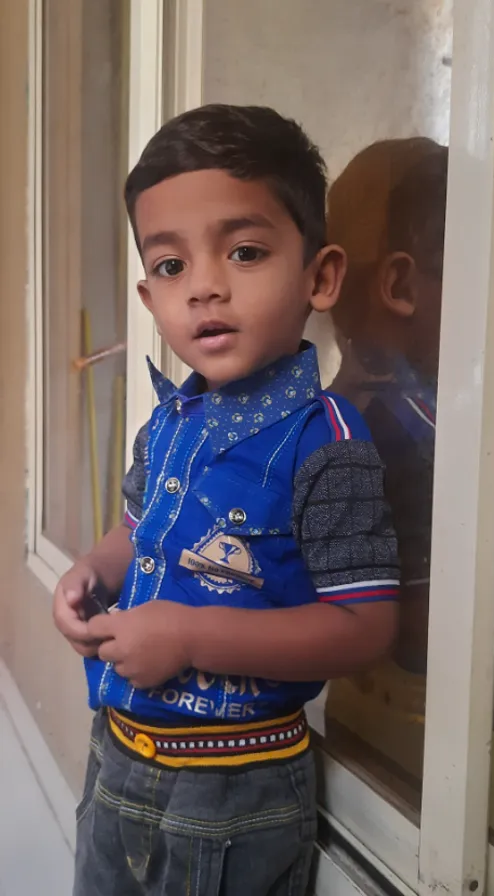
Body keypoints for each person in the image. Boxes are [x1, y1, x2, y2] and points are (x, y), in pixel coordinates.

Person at [53, 104, 399, 896]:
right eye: (172, 268)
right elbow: (139, 529)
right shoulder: (172, 418)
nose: (205, 287)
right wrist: (92, 570)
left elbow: (363, 626)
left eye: (245, 252)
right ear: (149, 297)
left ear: (320, 276)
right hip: (117, 757)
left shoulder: (329, 442)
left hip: (233, 791)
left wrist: (190, 635)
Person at [325, 139, 447, 771]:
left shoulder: (337, 413)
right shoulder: (398, 433)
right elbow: (428, 629)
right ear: (399, 283)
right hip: (416, 740)